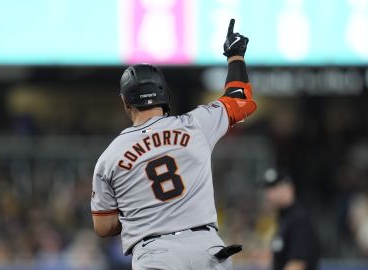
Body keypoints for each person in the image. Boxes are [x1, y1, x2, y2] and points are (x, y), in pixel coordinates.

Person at [91, 19, 256, 269]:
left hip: (156, 254)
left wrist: (144, 211)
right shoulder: (195, 124)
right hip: (208, 250)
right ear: (164, 95)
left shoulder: (109, 157)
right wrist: (235, 56)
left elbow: (103, 227)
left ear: (125, 102)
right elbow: (240, 100)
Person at [263, 168, 320, 270]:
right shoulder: (284, 219)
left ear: (288, 188)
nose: (268, 194)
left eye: (274, 187)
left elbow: (297, 264)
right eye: (267, 188)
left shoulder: (299, 219)